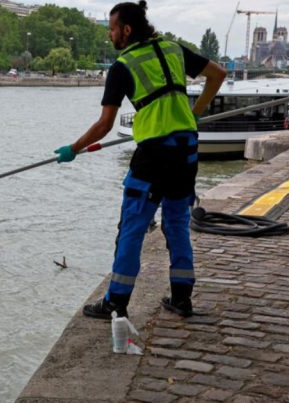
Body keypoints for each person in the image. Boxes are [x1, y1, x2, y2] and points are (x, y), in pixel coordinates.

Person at [54, 0, 226, 319]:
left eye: (112, 28)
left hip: (154, 155)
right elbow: (218, 74)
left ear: (126, 30)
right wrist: (194, 113)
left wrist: (73, 148)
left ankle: (115, 303)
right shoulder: (174, 49)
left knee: (132, 227)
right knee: (176, 224)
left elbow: (105, 125)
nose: (109, 35)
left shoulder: (123, 65)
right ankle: (182, 299)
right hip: (187, 148)